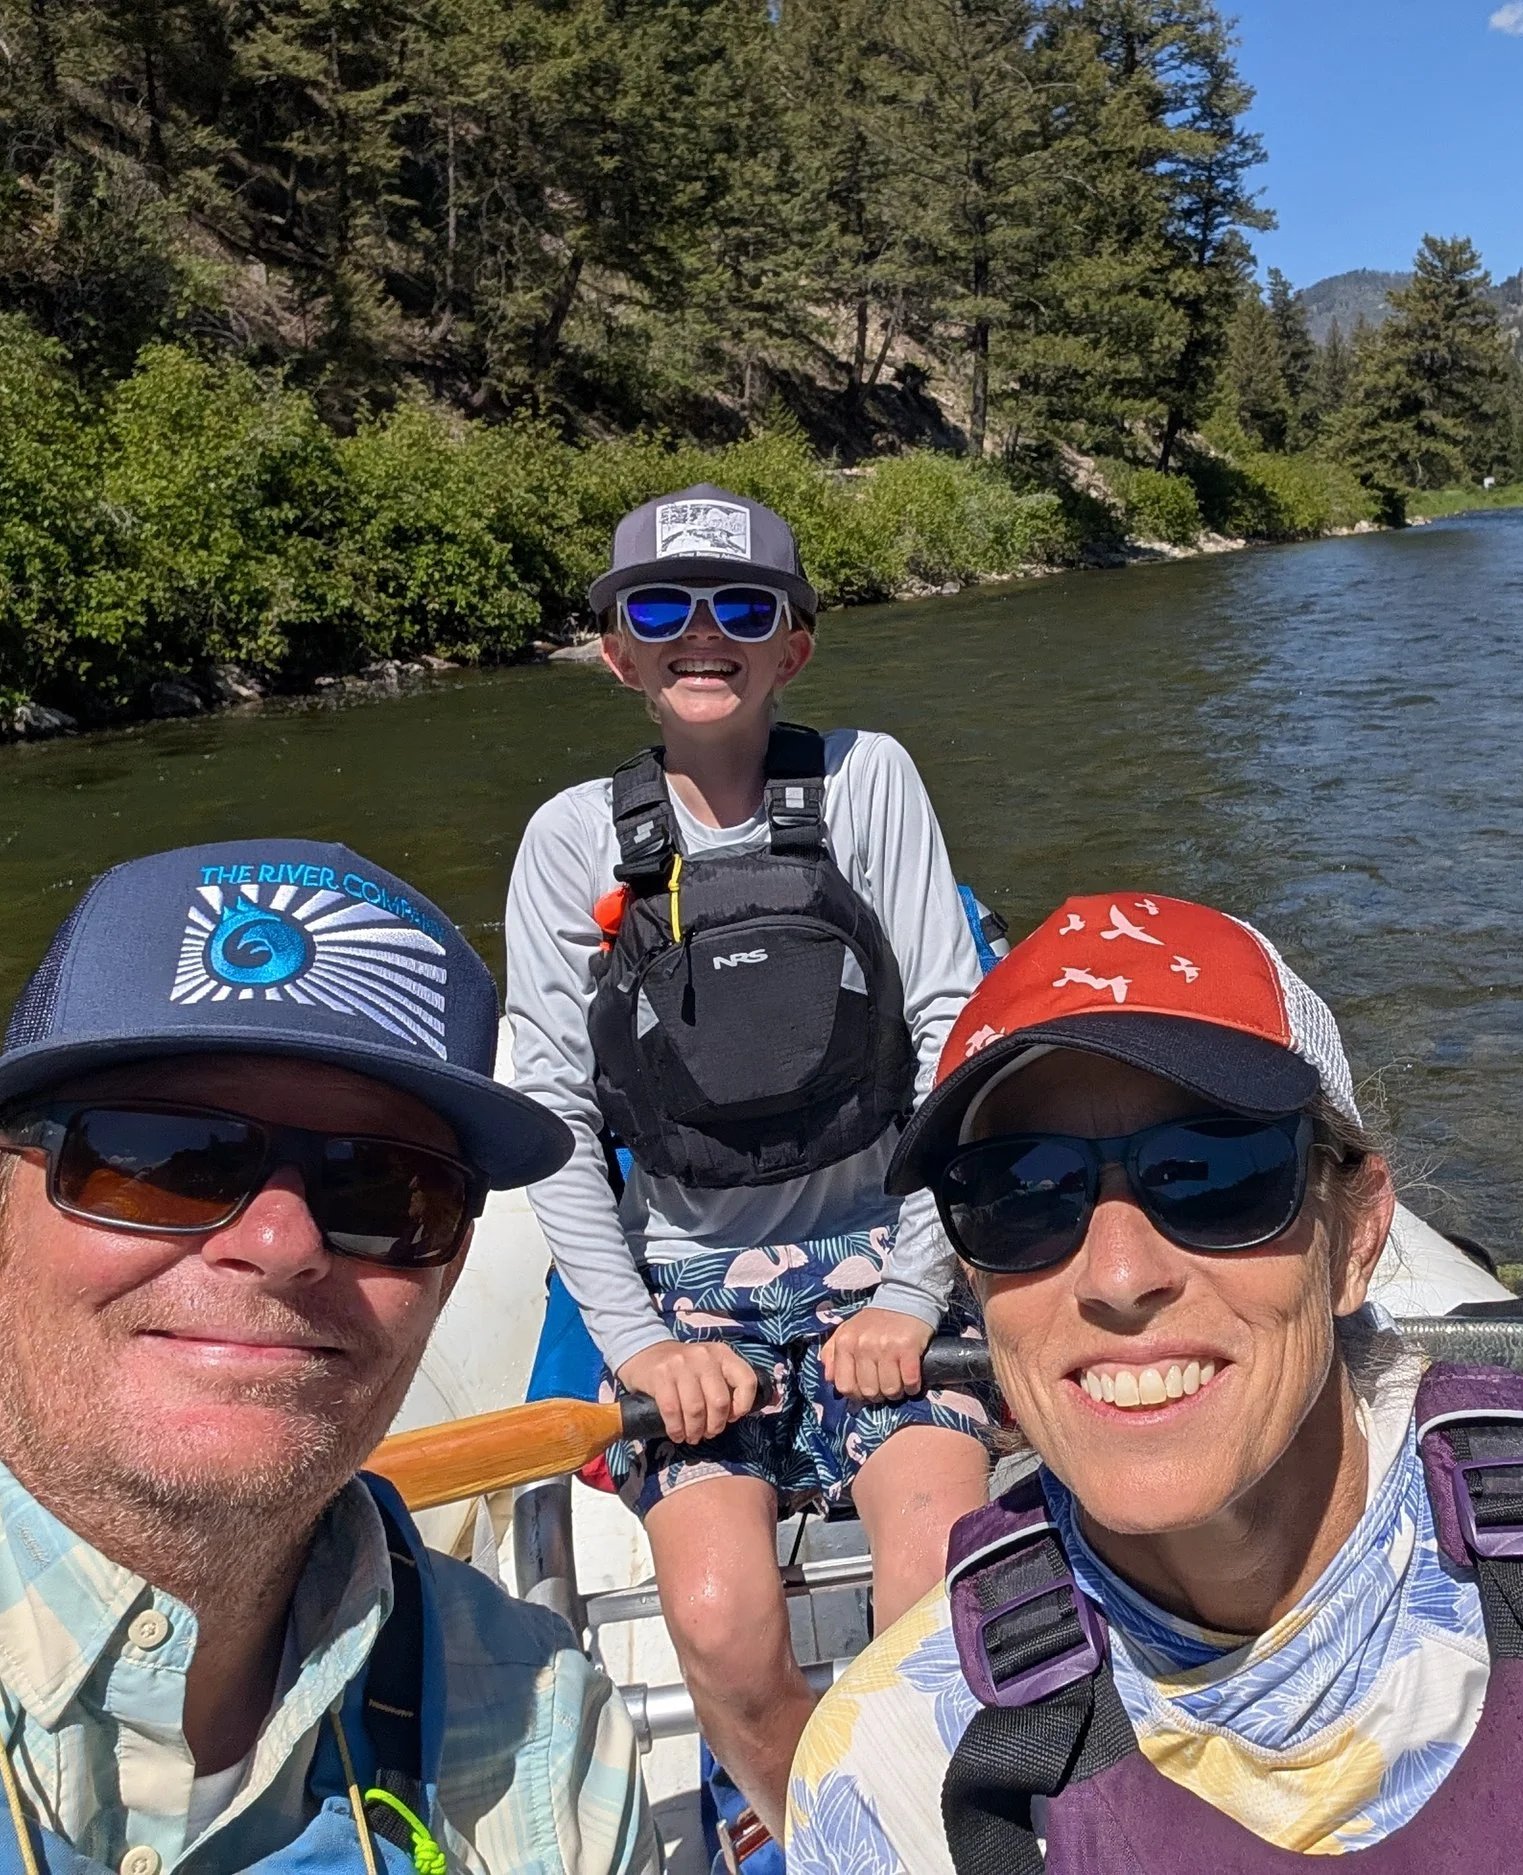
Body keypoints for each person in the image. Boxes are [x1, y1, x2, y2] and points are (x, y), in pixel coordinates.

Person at [786, 893, 1523, 1874]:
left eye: (1213, 1174)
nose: (1121, 1276)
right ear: (973, 1278)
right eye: (1020, 1191)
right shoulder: (896, 1761)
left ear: (1354, 1236)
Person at [0, 839, 657, 1873]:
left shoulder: (540, 1734)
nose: (283, 1246)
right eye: (164, 1160)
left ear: (446, 1275)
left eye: (380, 1191)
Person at [505, 485, 994, 1838]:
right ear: (615, 649)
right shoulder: (570, 841)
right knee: (723, 1632)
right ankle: (803, 1832)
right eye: (658, 609)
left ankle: (923, 1825)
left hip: (883, 1248)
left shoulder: (869, 780)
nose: (699, 637)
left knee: (933, 1595)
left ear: (796, 643)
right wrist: (637, 1340)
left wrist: (912, 1288)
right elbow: (547, 1104)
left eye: (742, 608)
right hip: (684, 1284)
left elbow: (954, 1031)